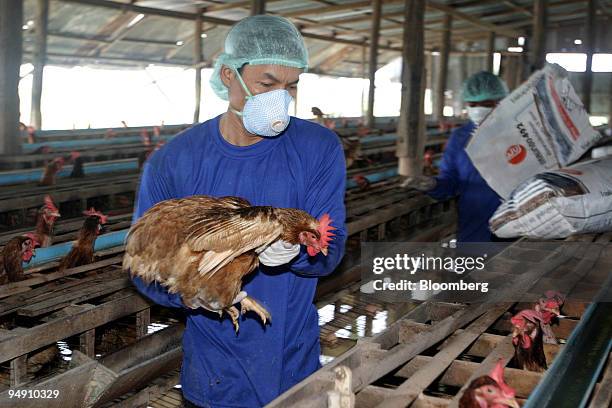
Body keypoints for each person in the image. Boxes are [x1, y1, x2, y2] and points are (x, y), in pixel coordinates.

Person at [128, 15, 347, 408]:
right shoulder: (174, 160)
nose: (281, 96)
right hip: (214, 369)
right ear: (229, 74)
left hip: (291, 358)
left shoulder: (318, 147)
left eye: (291, 85)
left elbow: (331, 250)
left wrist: (298, 252)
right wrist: (192, 294)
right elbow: (144, 263)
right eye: (267, 83)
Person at [401, 71, 508, 242]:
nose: (478, 109)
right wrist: (433, 184)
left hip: (516, 223)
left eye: (486, 103)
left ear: (500, 102)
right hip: (474, 223)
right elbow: (451, 182)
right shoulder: (460, 137)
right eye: (472, 104)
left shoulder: (519, 132)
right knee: (472, 266)